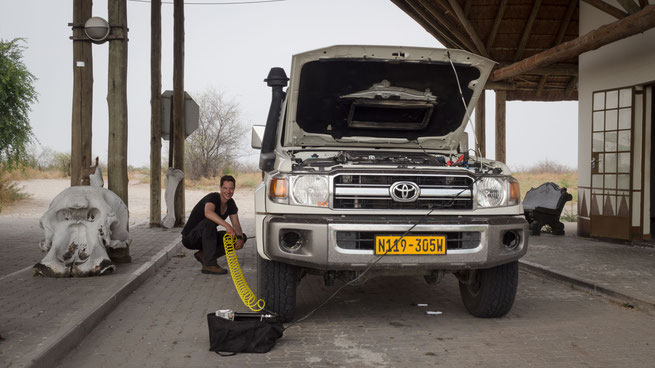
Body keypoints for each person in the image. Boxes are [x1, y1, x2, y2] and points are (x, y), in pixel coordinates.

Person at [181, 175, 245, 275]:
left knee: (238, 237)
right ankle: (209, 265)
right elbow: (208, 213)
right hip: (191, 238)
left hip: (207, 237)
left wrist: (240, 238)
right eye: (225, 188)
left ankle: (203, 255)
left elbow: (236, 224)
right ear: (220, 188)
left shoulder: (231, 203)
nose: (228, 192)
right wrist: (227, 226)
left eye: (231, 188)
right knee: (208, 222)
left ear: (234, 189)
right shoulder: (213, 197)